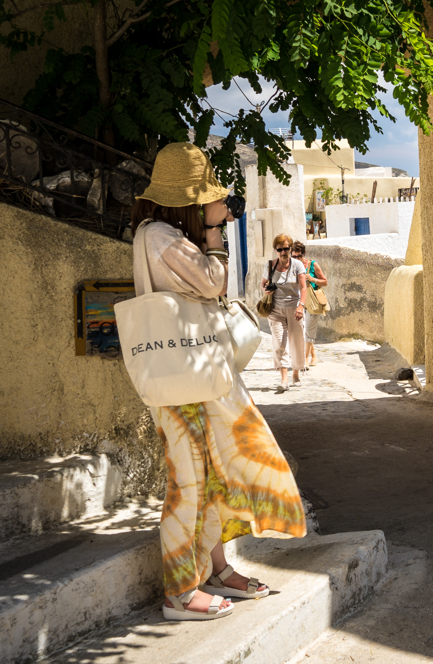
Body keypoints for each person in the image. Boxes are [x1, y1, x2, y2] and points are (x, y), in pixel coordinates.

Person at [130, 142, 306, 621]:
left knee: (211, 476)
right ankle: (180, 592)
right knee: (188, 481)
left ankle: (216, 568)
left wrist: (210, 230)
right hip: (179, 377)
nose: (217, 206)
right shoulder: (160, 236)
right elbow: (213, 283)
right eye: (208, 199)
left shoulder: (165, 234)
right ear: (187, 200)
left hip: (195, 373)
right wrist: (213, 232)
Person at [262, 234, 307, 390]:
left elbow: (303, 287)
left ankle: (296, 373)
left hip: (295, 309)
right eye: (280, 249)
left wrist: (301, 306)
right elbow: (262, 284)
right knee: (280, 343)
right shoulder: (270, 266)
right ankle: (284, 379)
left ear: (290, 248)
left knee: (297, 341)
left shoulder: (297, 265)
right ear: (275, 250)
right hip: (276, 310)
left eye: (286, 248)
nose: (283, 252)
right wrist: (265, 290)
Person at [292, 241, 327, 368]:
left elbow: (325, 281)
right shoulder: (291, 266)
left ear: (304, 254)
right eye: (294, 256)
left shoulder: (313, 264)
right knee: (302, 330)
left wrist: (312, 279)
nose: (296, 259)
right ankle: (314, 356)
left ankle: (305, 359)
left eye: (299, 256)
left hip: (312, 301)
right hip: (299, 301)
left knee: (308, 330)